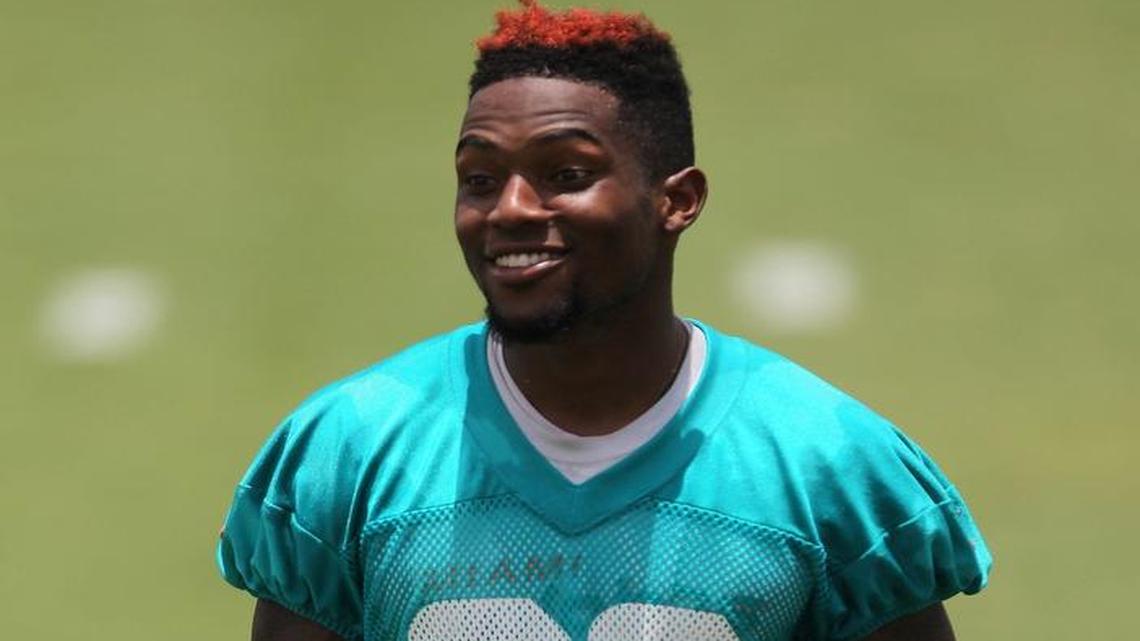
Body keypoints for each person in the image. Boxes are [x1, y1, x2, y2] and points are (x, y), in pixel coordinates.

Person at [216, 2, 992, 639]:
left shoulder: (828, 464)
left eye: (568, 174)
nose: (510, 209)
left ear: (676, 199)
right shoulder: (348, 450)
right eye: (480, 177)